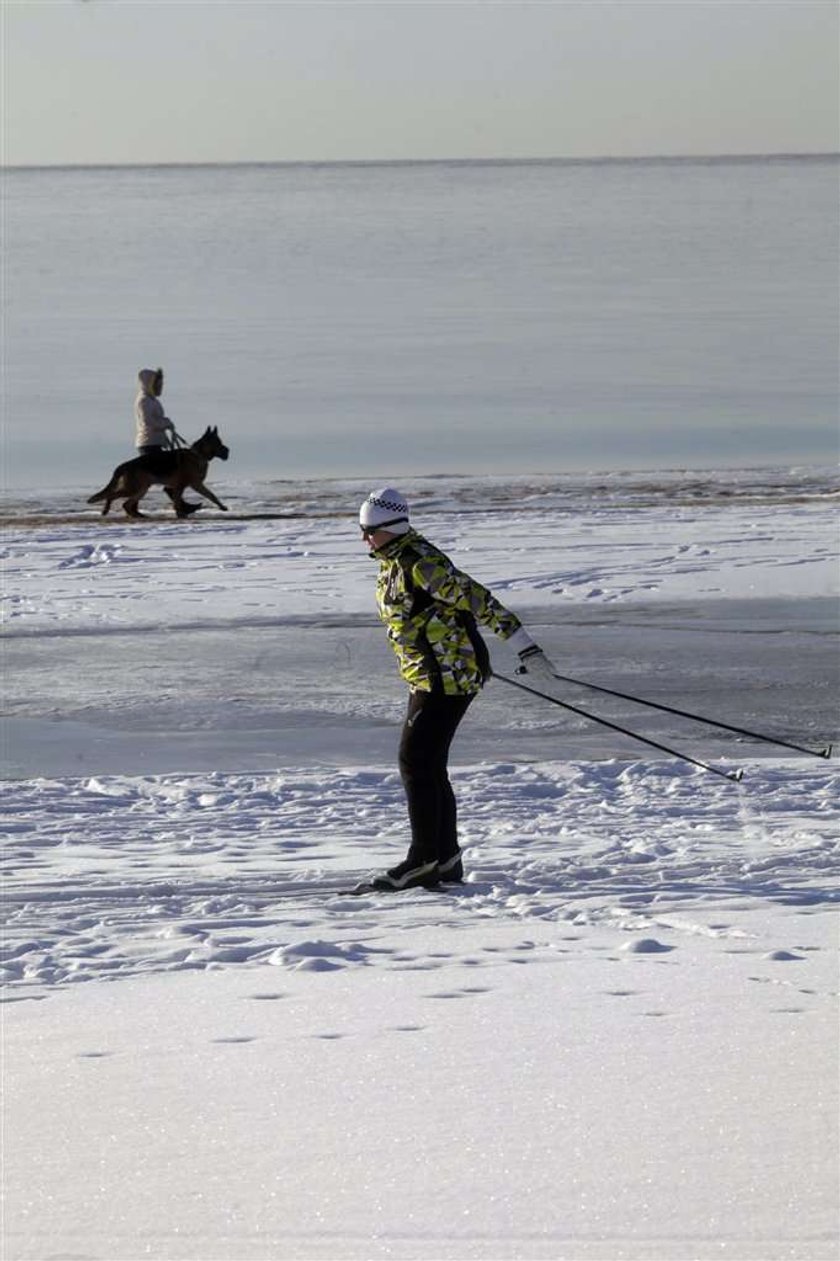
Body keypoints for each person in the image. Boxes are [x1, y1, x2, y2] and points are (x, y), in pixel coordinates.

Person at [359, 487, 558, 891]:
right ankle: (444, 858)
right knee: (427, 764)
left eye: (368, 530)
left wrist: (526, 649)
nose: (364, 538)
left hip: (444, 678)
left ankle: (423, 860)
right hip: (433, 674)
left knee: (415, 761)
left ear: (389, 527)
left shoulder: (420, 563)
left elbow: (480, 601)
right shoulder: (396, 559)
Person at [133, 367, 200, 514]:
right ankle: (179, 505)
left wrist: (165, 424)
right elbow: (148, 422)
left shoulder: (151, 400)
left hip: (155, 442)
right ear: (149, 383)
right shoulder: (144, 401)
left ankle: (180, 505)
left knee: (166, 475)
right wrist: (166, 423)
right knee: (151, 477)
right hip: (149, 443)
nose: (160, 387)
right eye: (158, 384)